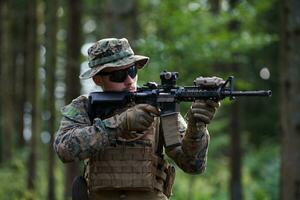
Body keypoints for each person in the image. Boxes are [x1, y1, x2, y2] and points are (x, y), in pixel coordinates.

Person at [54, 38, 224, 200]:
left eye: (132, 71)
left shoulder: (160, 106)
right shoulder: (85, 107)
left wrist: (197, 125)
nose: (129, 81)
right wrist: (120, 123)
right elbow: (64, 149)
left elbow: (192, 164)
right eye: (119, 75)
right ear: (98, 79)